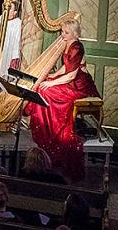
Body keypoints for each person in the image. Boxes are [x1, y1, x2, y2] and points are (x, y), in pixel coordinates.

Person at [26, 18, 99, 181]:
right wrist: (53, 76)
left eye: (65, 32)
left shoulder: (77, 46)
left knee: (47, 92)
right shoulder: (69, 43)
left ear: (74, 33)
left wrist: (52, 84)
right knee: (42, 86)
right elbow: (66, 67)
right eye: (62, 31)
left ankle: (54, 132)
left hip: (78, 85)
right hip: (69, 79)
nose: (62, 34)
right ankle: (47, 128)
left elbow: (72, 75)